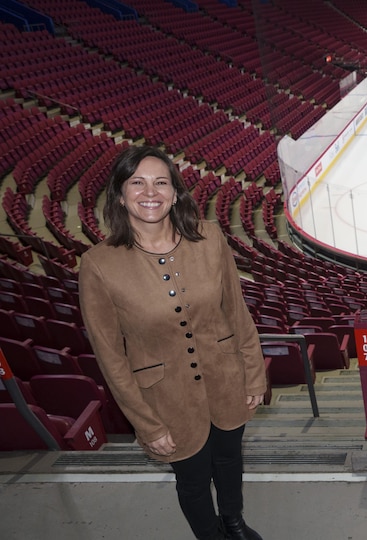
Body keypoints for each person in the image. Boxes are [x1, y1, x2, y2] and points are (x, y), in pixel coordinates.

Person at [79, 146, 267, 540]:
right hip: (166, 400)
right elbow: (111, 358)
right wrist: (145, 423)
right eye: (138, 183)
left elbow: (237, 312)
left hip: (226, 378)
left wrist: (254, 375)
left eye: (161, 182)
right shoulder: (98, 265)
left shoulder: (210, 238)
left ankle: (233, 520)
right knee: (194, 480)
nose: (151, 192)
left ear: (176, 192)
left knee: (230, 460)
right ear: (119, 194)